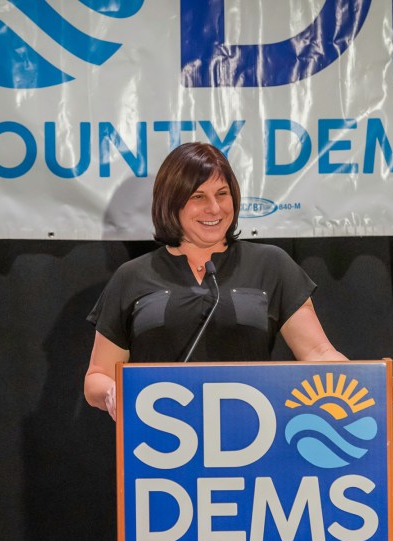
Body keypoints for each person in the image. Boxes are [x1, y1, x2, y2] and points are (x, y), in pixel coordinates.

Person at [84, 142, 347, 418]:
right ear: (171, 202)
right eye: (198, 197)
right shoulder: (132, 276)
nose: (214, 208)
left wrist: (363, 384)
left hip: (252, 434)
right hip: (159, 437)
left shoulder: (271, 265)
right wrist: (112, 391)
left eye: (222, 194)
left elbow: (318, 352)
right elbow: (97, 376)